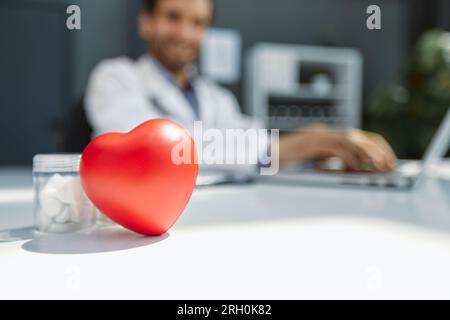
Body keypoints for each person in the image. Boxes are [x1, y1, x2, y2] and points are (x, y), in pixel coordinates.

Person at [85, 0, 396, 172]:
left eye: (197, 23)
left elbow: (249, 140)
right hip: (137, 228)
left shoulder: (215, 98)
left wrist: (317, 153)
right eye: (172, 17)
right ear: (146, 23)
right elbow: (153, 147)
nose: (184, 33)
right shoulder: (115, 78)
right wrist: (284, 145)